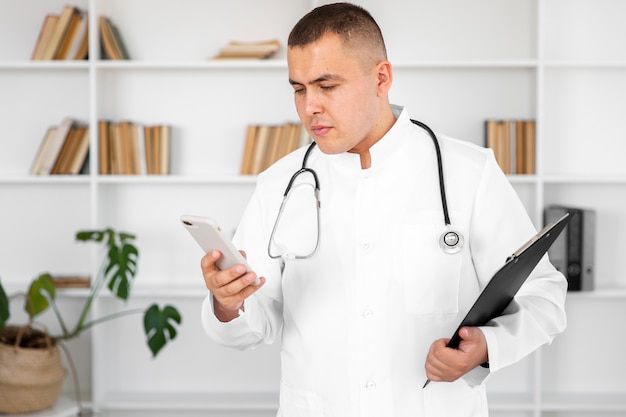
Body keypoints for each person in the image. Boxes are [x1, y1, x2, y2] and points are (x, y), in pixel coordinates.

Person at [200, 3, 567, 416]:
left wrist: (487, 346)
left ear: (381, 78)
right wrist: (227, 304)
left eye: (327, 85)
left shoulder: (469, 172)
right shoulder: (278, 186)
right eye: (299, 89)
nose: (309, 108)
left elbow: (544, 296)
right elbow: (253, 326)